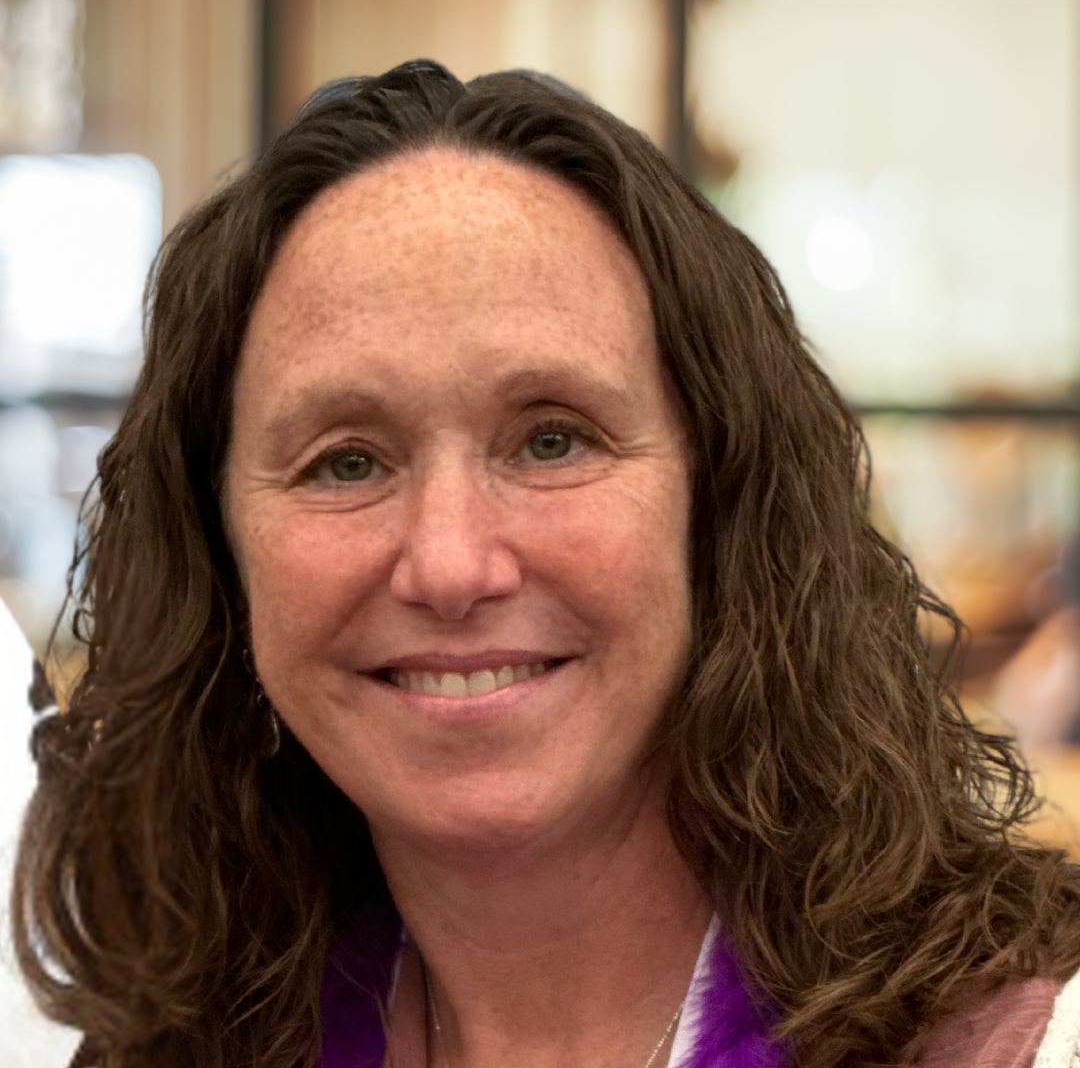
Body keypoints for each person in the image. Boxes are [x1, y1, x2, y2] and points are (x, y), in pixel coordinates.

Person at [11, 60, 1080, 1068]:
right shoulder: (159, 1042)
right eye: (345, 461)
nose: (449, 564)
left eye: (553, 438)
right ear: (219, 551)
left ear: (721, 504)